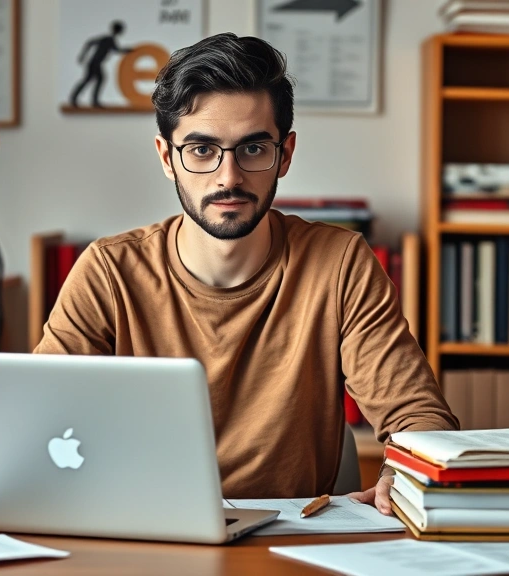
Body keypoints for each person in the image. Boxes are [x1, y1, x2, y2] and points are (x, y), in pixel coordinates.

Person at [35, 32, 459, 514]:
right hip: (140, 527)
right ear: (166, 157)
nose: (228, 177)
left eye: (253, 149)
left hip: (289, 540)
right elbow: (43, 418)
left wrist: (403, 469)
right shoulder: (109, 271)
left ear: (286, 153)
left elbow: (419, 416)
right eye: (201, 150)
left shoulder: (339, 262)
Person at [69, 20, 132, 108]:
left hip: (96, 63)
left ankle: (87, 100)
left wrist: (127, 50)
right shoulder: (108, 39)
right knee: (93, 79)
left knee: (95, 79)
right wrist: (82, 55)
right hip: (94, 63)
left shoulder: (110, 39)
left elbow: (116, 49)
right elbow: (90, 42)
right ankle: (84, 99)